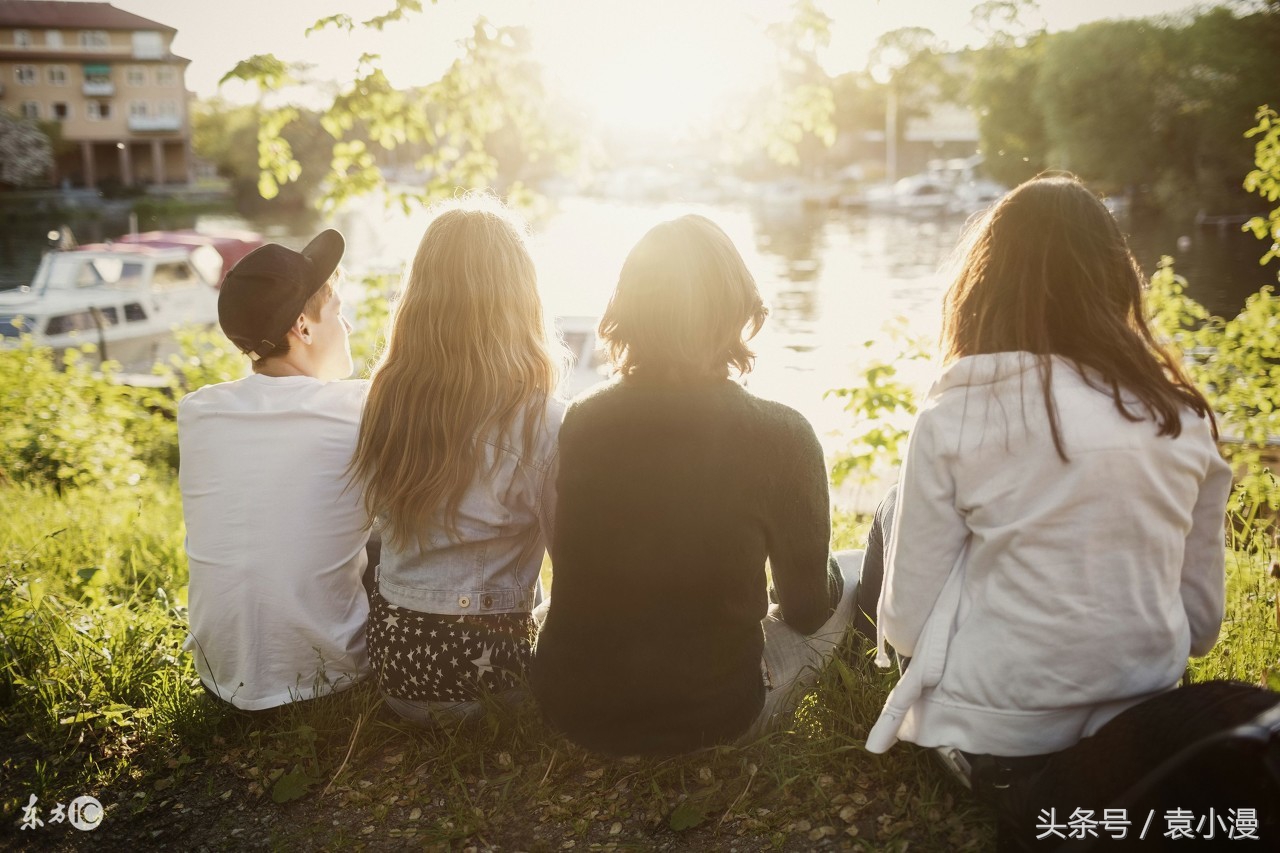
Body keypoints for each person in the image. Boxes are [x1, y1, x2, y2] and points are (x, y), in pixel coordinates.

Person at [864, 174, 1279, 849]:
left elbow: (905, 629)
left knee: (890, 510)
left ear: (985, 286)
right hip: (1140, 736)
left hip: (1008, 757)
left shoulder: (954, 414)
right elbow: (1201, 628)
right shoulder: (1182, 419)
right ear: (1117, 282)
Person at [530, 214, 861, 756]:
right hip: (711, 717)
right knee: (848, 574)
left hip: (572, 709)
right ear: (736, 309)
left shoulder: (585, 420)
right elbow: (805, 610)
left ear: (629, 310)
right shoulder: (783, 434)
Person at [348, 198, 565, 726]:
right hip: (489, 685)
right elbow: (574, 565)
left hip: (397, 675)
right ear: (521, 299)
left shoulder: (385, 400)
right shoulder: (544, 420)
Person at [180, 229, 371, 710]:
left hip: (218, 673)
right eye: (338, 312)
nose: (347, 327)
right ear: (302, 328)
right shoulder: (356, 406)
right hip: (325, 680)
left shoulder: (198, 411)